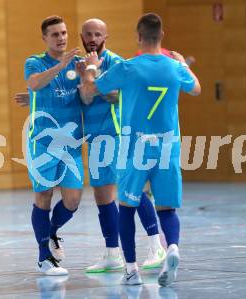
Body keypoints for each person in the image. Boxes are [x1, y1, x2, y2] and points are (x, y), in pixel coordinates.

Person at [16, 18, 166, 274]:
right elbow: (79, 95)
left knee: (130, 189)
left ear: (106, 35)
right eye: (88, 34)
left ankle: (156, 244)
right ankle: (110, 253)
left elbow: (113, 95)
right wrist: (36, 93)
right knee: (100, 196)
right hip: (82, 140)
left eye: (98, 33)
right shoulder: (70, 63)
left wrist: (94, 78)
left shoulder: (116, 63)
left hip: (117, 135)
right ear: (82, 37)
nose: (92, 38)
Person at [78, 13, 201, 286]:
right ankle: (172, 247)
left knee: (127, 207)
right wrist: (183, 65)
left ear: (138, 36)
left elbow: (89, 90)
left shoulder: (128, 68)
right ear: (162, 36)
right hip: (168, 146)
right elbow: (196, 89)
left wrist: (91, 67)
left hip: (136, 147)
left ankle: (132, 271)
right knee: (167, 208)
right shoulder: (174, 67)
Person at [24, 15, 83, 276]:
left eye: (64, 32)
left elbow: (86, 93)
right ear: (45, 38)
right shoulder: (34, 62)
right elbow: (35, 83)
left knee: (72, 199)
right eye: (55, 34)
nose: (61, 38)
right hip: (43, 143)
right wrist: (61, 65)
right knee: (44, 197)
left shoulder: (77, 65)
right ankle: (44, 257)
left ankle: (51, 233)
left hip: (70, 143)